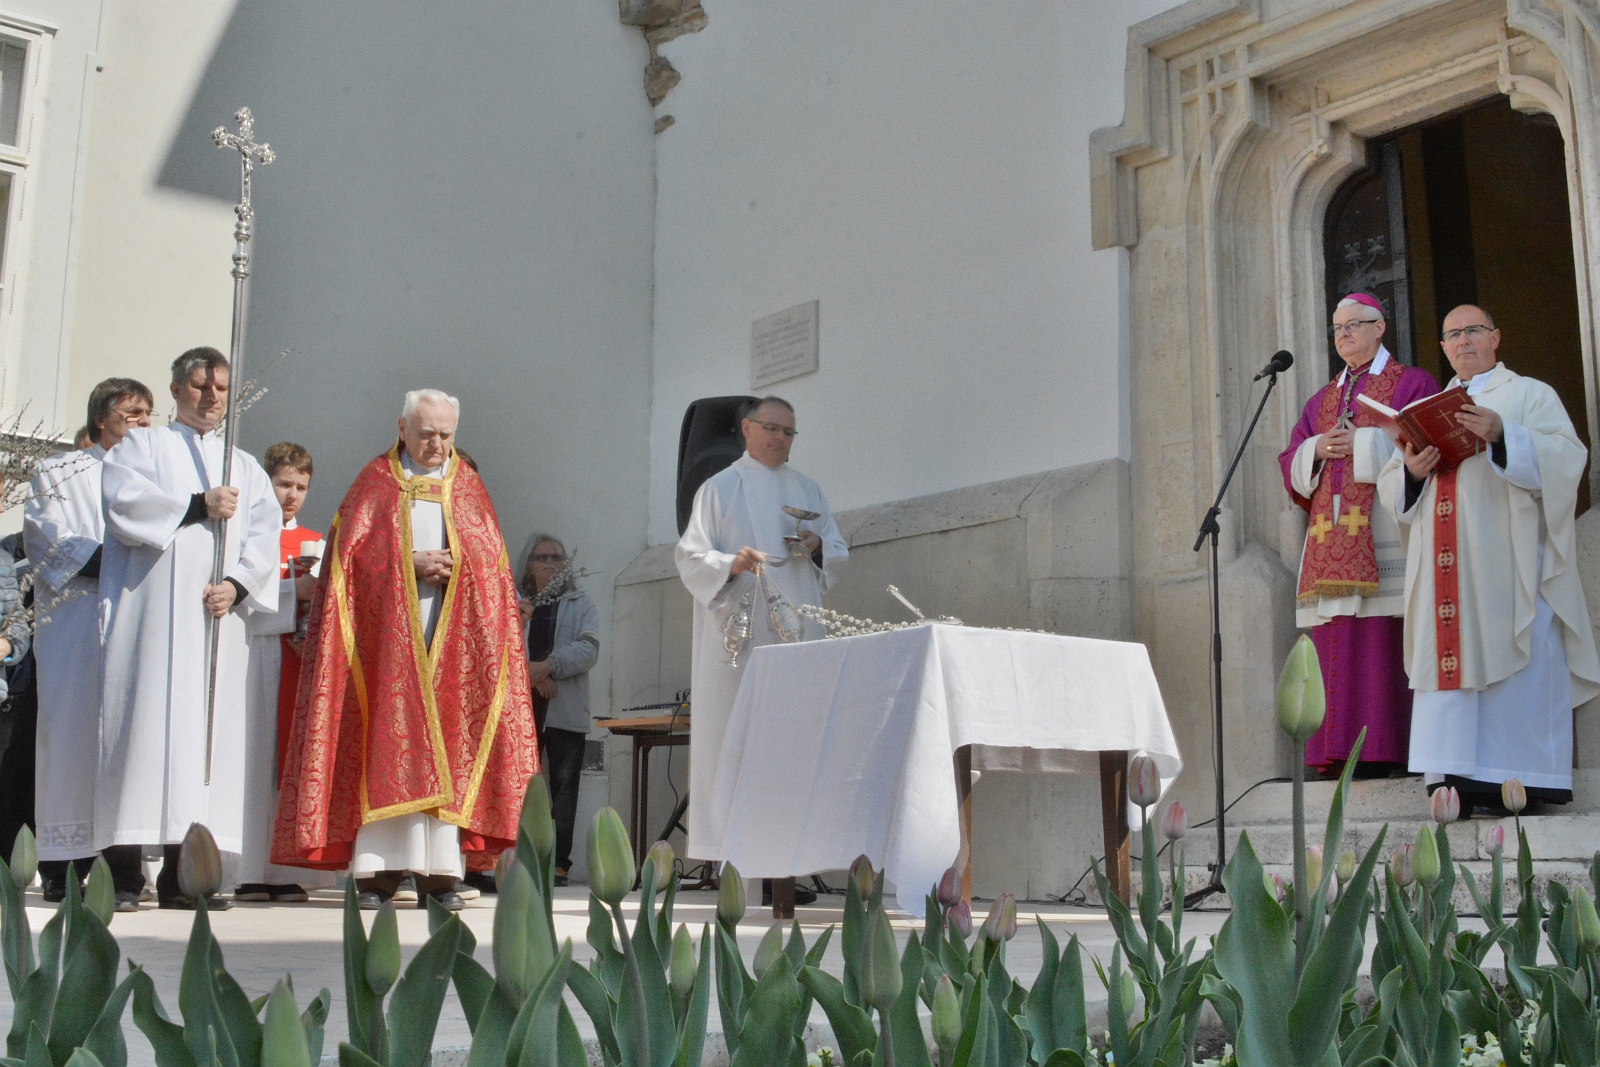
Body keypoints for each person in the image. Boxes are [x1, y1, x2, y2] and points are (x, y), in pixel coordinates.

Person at [272, 389, 537, 911]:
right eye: (426, 433)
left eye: (446, 435)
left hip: (452, 646)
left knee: (449, 745)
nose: (436, 444)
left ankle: (441, 875)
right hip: (386, 649)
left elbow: (492, 567)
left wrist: (460, 566)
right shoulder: (373, 483)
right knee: (387, 741)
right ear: (402, 428)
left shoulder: (469, 487)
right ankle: (378, 875)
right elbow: (345, 565)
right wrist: (406, 563)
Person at [1378, 305, 1600, 812]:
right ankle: (1453, 777)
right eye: (1453, 334)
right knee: (1448, 658)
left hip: (1506, 564)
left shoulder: (1529, 395)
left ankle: (1520, 779)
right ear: (1443, 347)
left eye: (1473, 330)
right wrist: (1412, 471)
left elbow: (1568, 459)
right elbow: (1394, 487)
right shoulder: (1423, 408)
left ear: (1495, 338)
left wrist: (1504, 436)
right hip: (1442, 564)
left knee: (1514, 657)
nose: (1463, 341)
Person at [95, 347, 281, 907]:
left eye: (220, 387)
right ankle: (123, 875)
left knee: (203, 744)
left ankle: (186, 877)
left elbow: (264, 535)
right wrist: (199, 504)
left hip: (214, 623)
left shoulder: (241, 464)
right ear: (177, 390)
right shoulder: (142, 446)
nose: (211, 397)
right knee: (141, 736)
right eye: (200, 386)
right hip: (150, 623)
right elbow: (123, 505)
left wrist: (237, 585)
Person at [675, 396, 847, 907]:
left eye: (789, 432)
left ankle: (787, 869)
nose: (780, 439)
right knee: (740, 741)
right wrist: (731, 563)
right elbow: (690, 557)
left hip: (798, 640)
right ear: (747, 429)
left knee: (794, 746)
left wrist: (818, 547)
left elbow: (838, 550)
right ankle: (738, 868)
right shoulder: (718, 487)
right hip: (741, 640)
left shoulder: (808, 489)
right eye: (771, 428)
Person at [1279, 294, 1440, 776]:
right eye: (1338, 328)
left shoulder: (1412, 383)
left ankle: (1390, 749)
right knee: (1337, 639)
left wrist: (1365, 442)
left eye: (1354, 324)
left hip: (1387, 530)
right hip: (1330, 538)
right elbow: (1290, 459)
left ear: (1380, 327)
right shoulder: (1320, 400)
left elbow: (1430, 441)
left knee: (1383, 641)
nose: (1344, 334)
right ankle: (1337, 751)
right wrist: (1316, 448)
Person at [24, 378, 153, 906]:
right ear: (101, 419)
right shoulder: (59, 472)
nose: (144, 422)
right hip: (75, 627)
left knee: (127, 742)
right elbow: (52, 542)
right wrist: (123, 562)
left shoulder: (152, 478)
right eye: (132, 413)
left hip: (134, 622)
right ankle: (61, 867)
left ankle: (123, 872)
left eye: (148, 413)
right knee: (69, 741)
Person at [234, 442, 334, 902]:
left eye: (301, 487)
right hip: (256, 658)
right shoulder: (246, 537)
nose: (291, 495)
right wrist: (297, 590)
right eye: (283, 484)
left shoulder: (316, 540)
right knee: (254, 761)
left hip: (300, 663)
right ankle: (246, 869)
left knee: (291, 765)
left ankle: (284, 870)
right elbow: (243, 602)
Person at [516, 535, 599, 887]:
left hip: (565, 706)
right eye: (542, 557)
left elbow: (589, 649)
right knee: (521, 786)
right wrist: (533, 678)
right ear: (529, 564)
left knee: (564, 788)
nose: (550, 563)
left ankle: (558, 863)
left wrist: (549, 666)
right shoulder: (517, 602)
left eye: (557, 557)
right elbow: (502, 644)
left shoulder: (581, 603)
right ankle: (518, 858)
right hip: (523, 706)